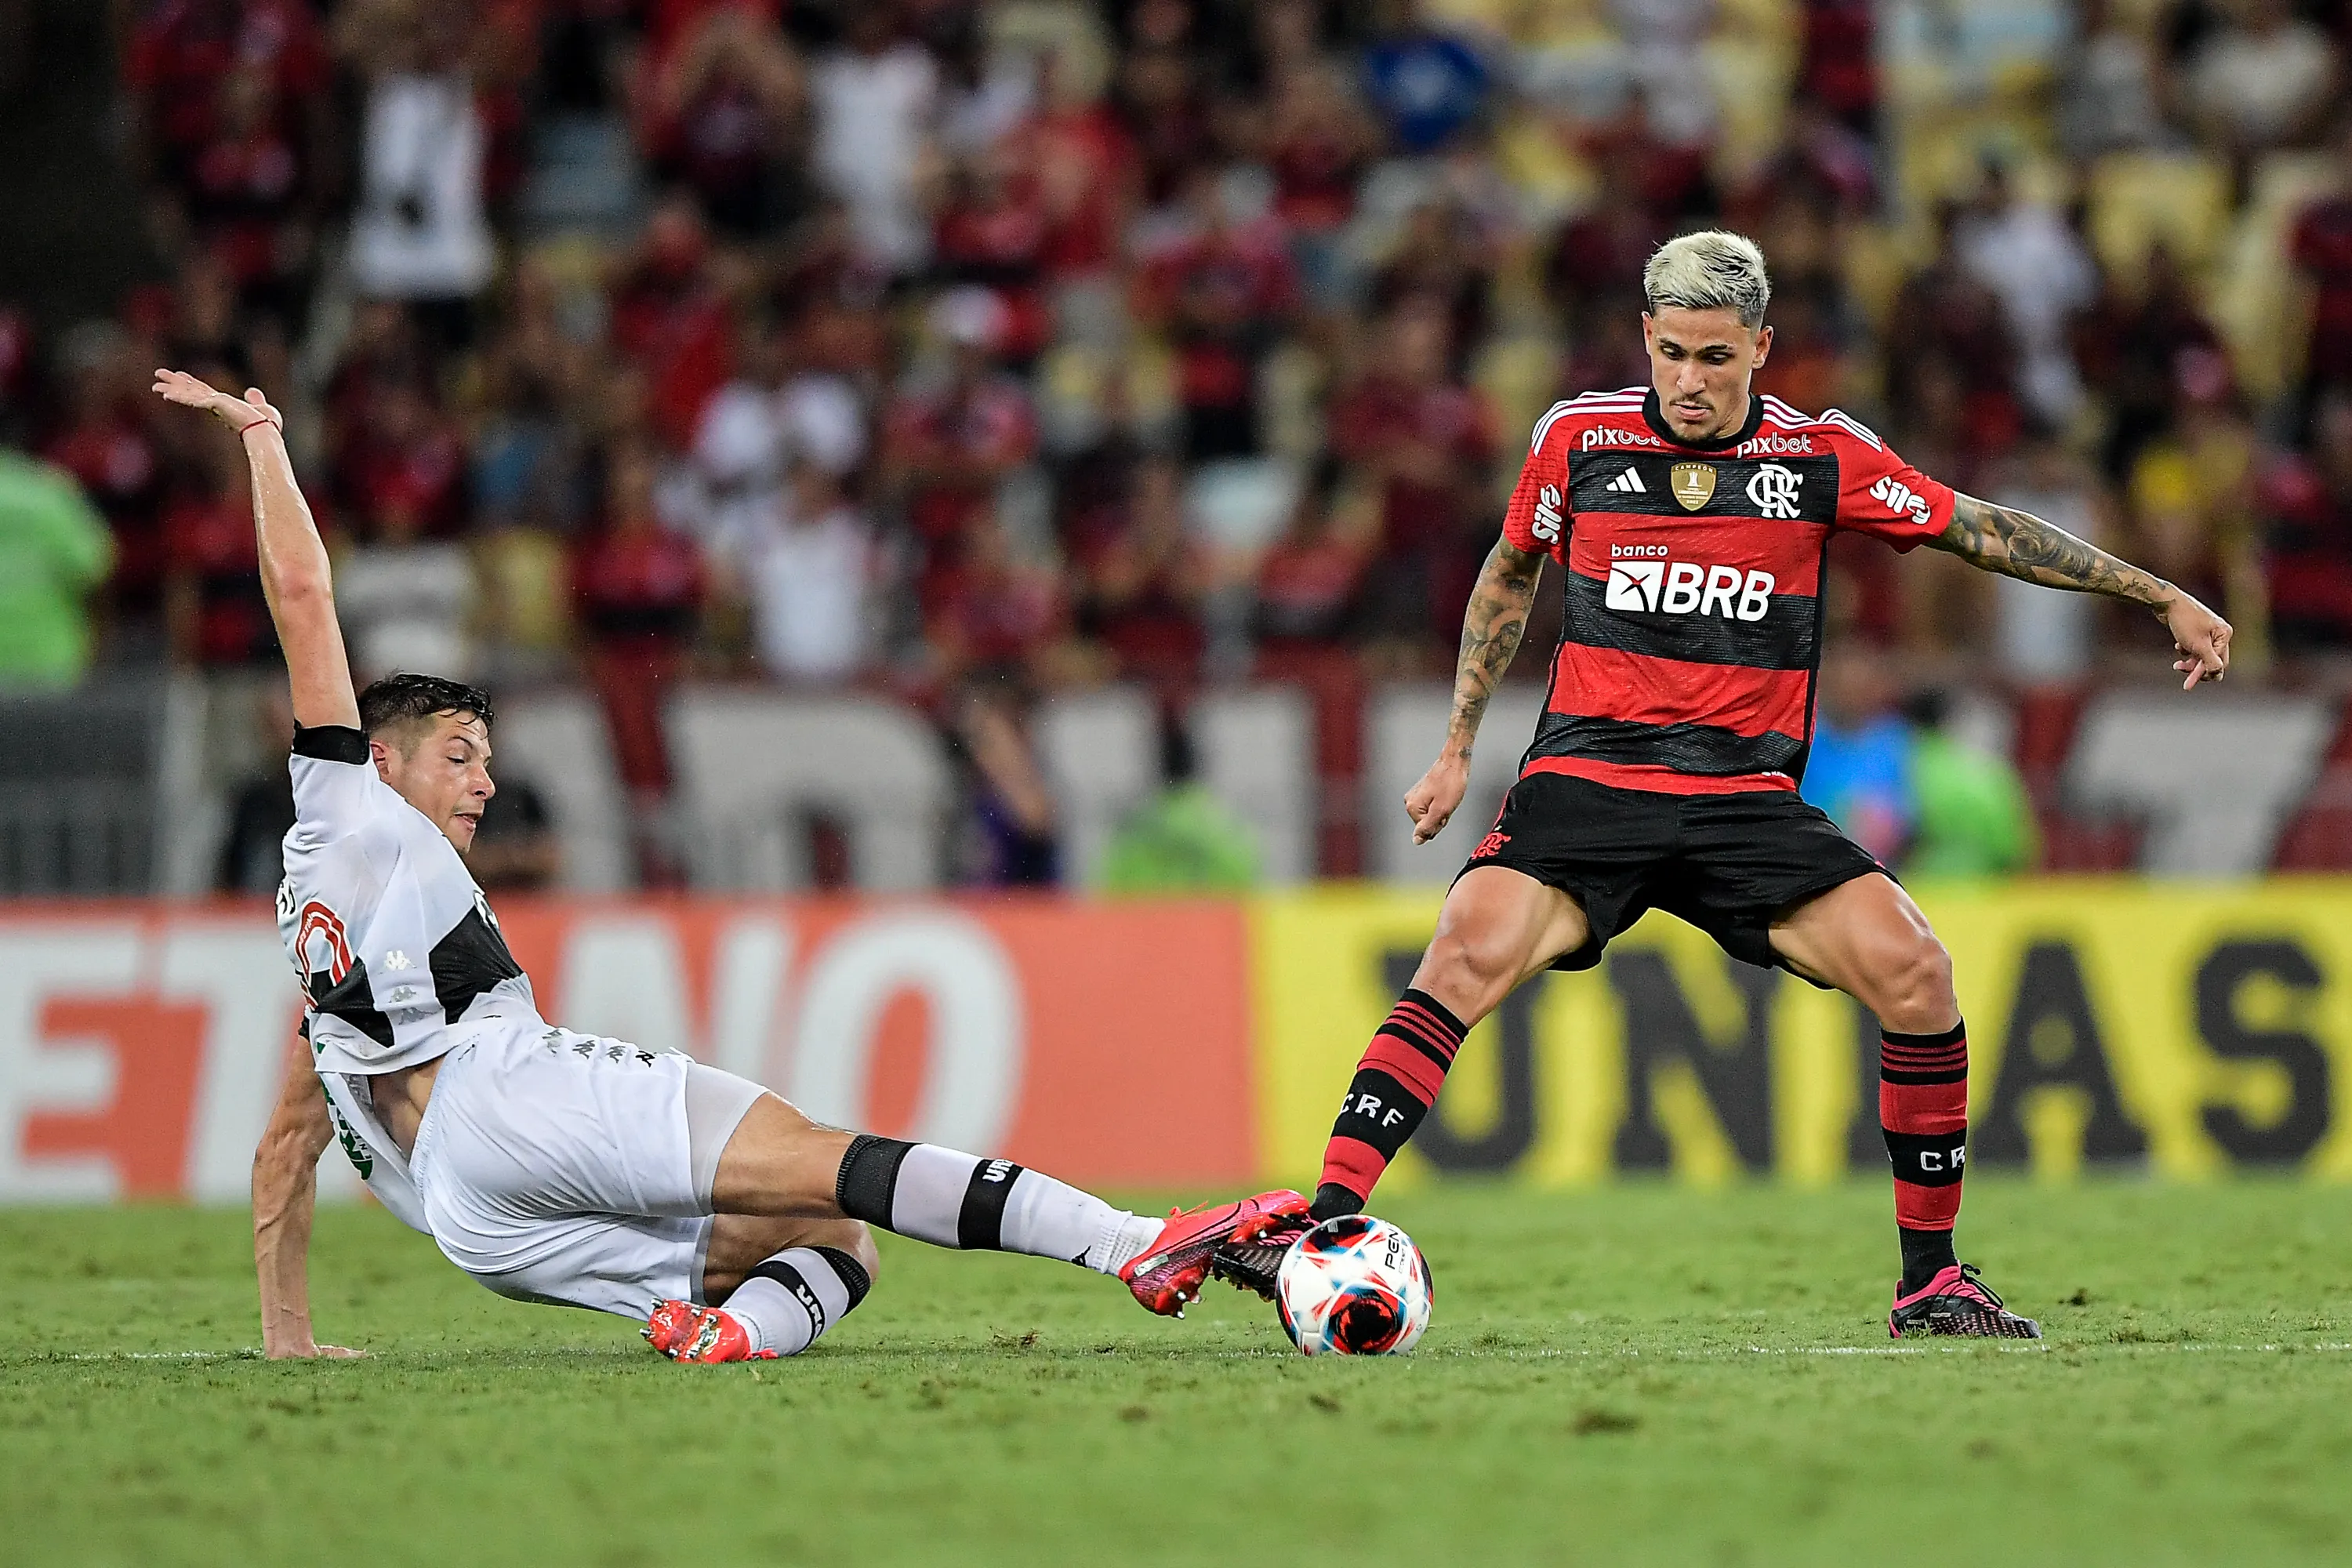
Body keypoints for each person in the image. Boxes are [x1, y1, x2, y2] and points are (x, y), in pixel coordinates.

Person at [153, 368, 1303, 1364]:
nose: (484, 784)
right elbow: (303, 599)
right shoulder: (346, 799)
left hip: (471, 1220)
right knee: (826, 1158)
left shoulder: (317, 914)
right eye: (458, 756)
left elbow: (286, 1145)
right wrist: (263, 441)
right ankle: (1133, 1246)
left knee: (838, 1246)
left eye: (489, 759)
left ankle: (734, 1335)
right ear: (381, 761)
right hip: (507, 1094)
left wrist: (286, 1331)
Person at [1236, 233, 2232, 1341]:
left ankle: (1932, 1281)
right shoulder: (1577, 442)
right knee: (1463, 953)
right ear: (1645, 343)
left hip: (1744, 802)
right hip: (1589, 781)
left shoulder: (1820, 461)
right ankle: (1323, 1230)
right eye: (1671, 354)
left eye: (1716, 357)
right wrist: (1458, 745)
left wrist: (2158, 597)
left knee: (1916, 973)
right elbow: (1512, 569)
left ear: (1762, 347)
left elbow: (1977, 528)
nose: (1692, 381)